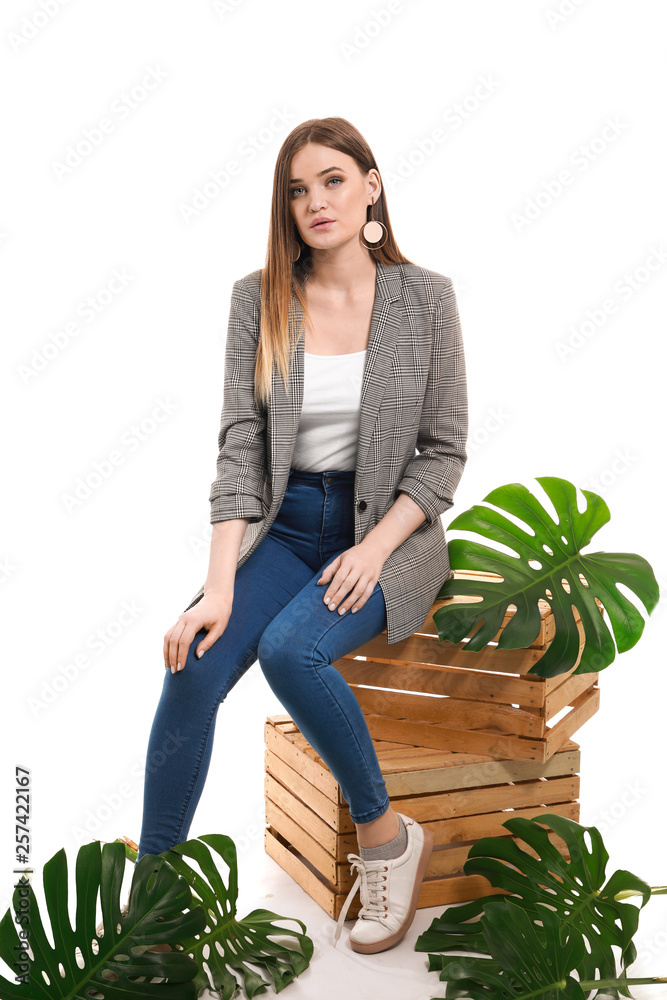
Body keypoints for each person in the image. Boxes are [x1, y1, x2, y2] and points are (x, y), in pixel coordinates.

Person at [136, 116, 468, 954]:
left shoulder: (426, 299)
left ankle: (385, 835)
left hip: (389, 531)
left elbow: (443, 453)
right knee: (193, 660)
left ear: (371, 185)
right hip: (285, 531)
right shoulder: (260, 298)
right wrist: (217, 587)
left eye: (330, 180)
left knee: (292, 651)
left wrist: (374, 547)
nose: (312, 201)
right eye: (295, 188)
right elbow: (240, 447)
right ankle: (151, 908)